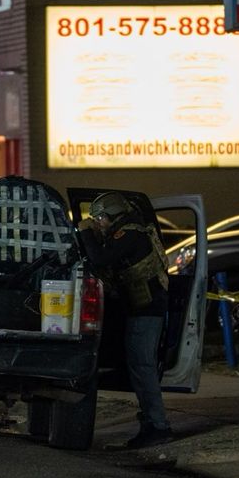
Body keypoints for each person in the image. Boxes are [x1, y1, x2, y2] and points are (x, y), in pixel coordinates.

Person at [78, 192, 172, 449]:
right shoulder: (127, 233)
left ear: (112, 216)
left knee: (143, 366)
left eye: (99, 218)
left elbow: (100, 260)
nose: (97, 223)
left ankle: (158, 425)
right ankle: (152, 423)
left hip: (147, 309)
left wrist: (85, 232)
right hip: (141, 308)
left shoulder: (129, 233)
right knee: (140, 366)